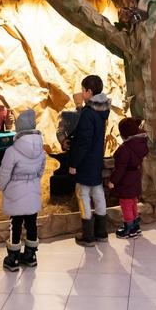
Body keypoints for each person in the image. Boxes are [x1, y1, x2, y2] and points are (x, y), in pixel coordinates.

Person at [64, 74, 111, 245]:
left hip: (85, 161)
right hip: (96, 159)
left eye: (83, 90)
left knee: (82, 193)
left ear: (89, 92)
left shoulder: (88, 113)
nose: (81, 93)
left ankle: (88, 235)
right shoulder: (102, 110)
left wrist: (74, 163)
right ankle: (102, 232)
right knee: (98, 193)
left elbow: (83, 141)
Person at [0, 110, 45, 269]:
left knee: (15, 224)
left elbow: (5, 173)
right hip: (32, 190)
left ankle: (13, 258)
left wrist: (1, 187)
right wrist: (34, 180)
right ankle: (31, 256)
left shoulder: (12, 151)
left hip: (15, 192)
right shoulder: (41, 149)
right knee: (32, 223)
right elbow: (41, 170)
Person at [106, 117, 149, 239]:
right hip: (135, 177)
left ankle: (129, 229)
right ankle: (136, 227)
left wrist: (112, 181)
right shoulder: (140, 144)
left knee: (125, 204)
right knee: (133, 202)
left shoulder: (125, 149)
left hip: (126, 181)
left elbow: (120, 169)